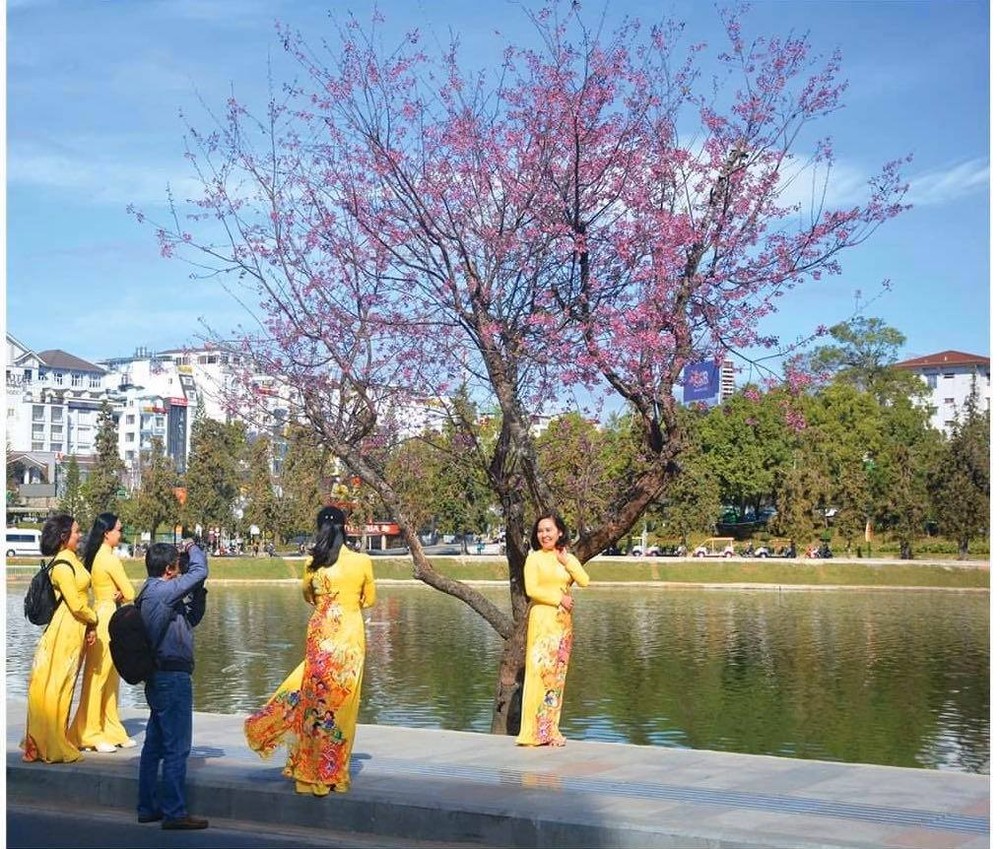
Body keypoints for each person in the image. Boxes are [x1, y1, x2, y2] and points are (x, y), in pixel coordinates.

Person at [245, 505, 376, 795]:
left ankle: (308, 773)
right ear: (345, 527)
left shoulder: (312, 563)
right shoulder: (362, 561)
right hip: (349, 641)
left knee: (313, 704)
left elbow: (308, 596)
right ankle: (333, 775)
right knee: (341, 707)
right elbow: (370, 600)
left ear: (320, 528)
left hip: (320, 636)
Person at [136, 540, 210, 830]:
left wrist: (199, 595)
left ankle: (147, 807)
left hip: (160, 676)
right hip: (171, 678)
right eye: (177, 565)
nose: (181, 570)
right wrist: (193, 548)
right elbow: (200, 570)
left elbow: (189, 619)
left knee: (154, 745)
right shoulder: (162, 591)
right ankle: (175, 812)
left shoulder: (153, 592)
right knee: (177, 748)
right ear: (168, 569)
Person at [21, 513, 99, 763]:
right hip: (63, 631)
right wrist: (94, 618)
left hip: (74, 629)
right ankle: (49, 742)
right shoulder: (63, 566)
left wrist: (88, 626)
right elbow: (76, 604)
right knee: (56, 686)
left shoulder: (70, 560)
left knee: (65, 685)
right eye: (76, 531)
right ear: (64, 537)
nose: (80, 535)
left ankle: (54, 737)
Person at [515, 513, 590, 747]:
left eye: (549, 530)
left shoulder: (565, 558)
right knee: (538, 674)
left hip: (562, 625)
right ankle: (532, 732)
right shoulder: (534, 559)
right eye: (540, 531)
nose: (544, 534)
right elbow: (532, 589)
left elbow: (585, 580)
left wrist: (568, 561)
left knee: (556, 679)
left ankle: (550, 730)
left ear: (559, 532)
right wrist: (559, 597)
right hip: (542, 621)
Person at [68, 512, 137, 753]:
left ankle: (111, 729)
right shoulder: (109, 559)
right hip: (108, 618)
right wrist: (121, 593)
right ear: (107, 533)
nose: (121, 533)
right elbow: (129, 592)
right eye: (118, 529)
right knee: (100, 679)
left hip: (102, 613)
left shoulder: (98, 556)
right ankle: (89, 733)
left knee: (108, 677)